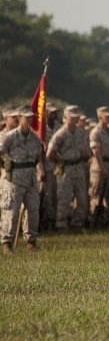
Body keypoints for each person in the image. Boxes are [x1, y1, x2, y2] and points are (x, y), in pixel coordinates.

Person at [0, 107, 44, 253]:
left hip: (30, 179)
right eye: (26, 117)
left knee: (32, 210)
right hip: (14, 180)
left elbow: (39, 155)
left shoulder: (33, 137)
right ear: (19, 118)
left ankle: (31, 241)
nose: (29, 120)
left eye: (31, 117)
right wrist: (5, 168)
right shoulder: (10, 136)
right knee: (11, 211)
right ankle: (7, 243)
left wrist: (40, 169)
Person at [47, 104, 92, 233]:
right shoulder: (60, 134)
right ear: (65, 117)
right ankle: (61, 225)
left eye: (76, 117)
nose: (75, 120)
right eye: (72, 117)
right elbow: (50, 153)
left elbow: (84, 151)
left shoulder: (80, 132)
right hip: (65, 169)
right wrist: (59, 163)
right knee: (64, 199)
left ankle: (77, 224)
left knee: (82, 197)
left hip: (78, 167)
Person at [88, 106, 109, 228]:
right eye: (107, 116)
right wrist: (103, 168)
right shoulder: (96, 132)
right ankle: (93, 221)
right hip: (99, 168)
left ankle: (108, 221)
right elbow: (96, 151)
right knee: (96, 194)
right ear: (100, 117)